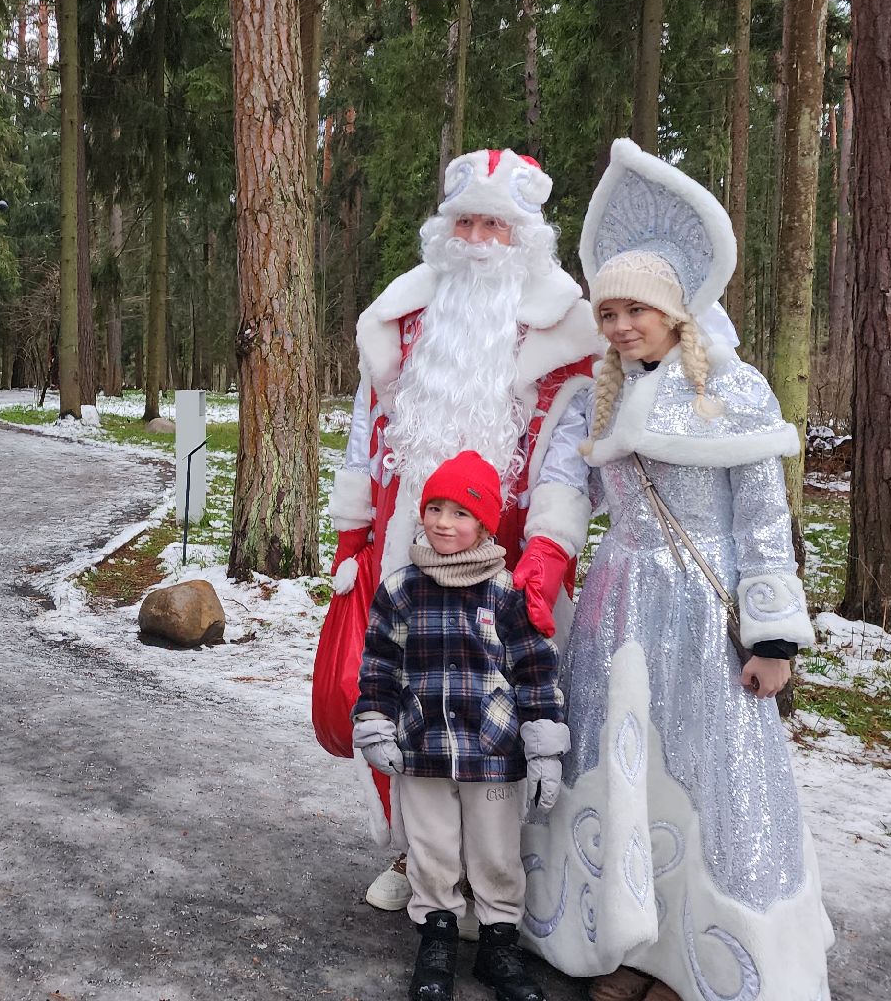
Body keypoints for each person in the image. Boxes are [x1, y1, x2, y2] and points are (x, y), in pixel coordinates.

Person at [517, 139, 834, 1001]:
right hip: (618, 611)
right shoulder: (593, 396)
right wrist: (542, 565)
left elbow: (765, 521)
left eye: (636, 311)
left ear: (676, 312)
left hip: (704, 613)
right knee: (618, 773)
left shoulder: (737, 393)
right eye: (607, 312)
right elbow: (565, 486)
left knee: (713, 779)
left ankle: (702, 960)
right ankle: (619, 947)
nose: (620, 325)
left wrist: (773, 635)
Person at [313, 148, 602, 917]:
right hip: (406, 543)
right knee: (404, 697)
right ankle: (419, 858)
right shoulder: (401, 319)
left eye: (495, 225)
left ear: (526, 237)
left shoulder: (567, 336)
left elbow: (570, 462)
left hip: (505, 559)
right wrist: (353, 538)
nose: (477, 238)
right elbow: (364, 432)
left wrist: (547, 551)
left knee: (497, 710)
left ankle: (500, 878)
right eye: (465, 221)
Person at [353, 451, 567, 1001]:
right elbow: (378, 664)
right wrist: (376, 722)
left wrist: (543, 744)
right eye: (435, 508)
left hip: (493, 753)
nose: (445, 523)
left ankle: (498, 945)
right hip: (422, 749)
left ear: (486, 524)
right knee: (432, 850)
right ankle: (438, 940)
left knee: (496, 855)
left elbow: (536, 671)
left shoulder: (508, 592)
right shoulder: (401, 590)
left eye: (461, 513)